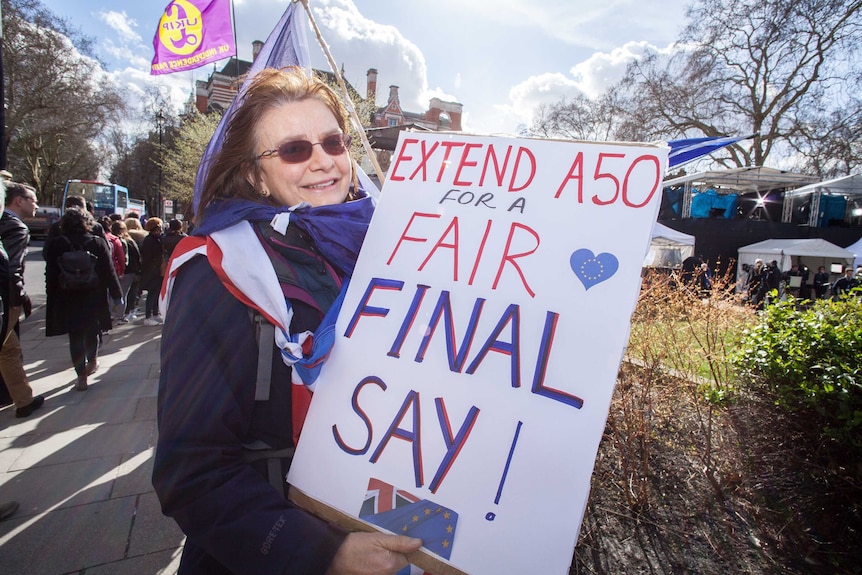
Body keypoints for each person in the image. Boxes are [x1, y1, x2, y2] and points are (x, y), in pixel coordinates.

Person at [152, 67, 422, 575]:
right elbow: (190, 470)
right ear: (256, 174)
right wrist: (323, 553)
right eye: (295, 150)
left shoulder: (392, 247)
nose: (323, 161)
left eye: (333, 143)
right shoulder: (218, 270)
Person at [44, 207, 122, 390]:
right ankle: (92, 361)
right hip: (93, 295)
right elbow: (109, 272)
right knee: (92, 331)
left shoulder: (57, 244)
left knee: (75, 335)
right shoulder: (97, 242)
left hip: (67, 295)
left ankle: (80, 376)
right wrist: (117, 296)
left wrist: (51, 295)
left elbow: (51, 273)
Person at [0, 182, 44, 417]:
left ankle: (22, 400)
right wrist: (19, 299)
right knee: (8, 347)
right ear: (19, 201)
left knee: (9, 349)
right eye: (33, 200)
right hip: (5, 299)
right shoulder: (16, 227)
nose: (36, 205)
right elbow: (11, 268)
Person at [111, 220, 141, 323]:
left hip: (113, 271)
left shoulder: (110, 240)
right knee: (123, 294)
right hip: (127, 271)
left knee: (111, 294)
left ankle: (111, 314)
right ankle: (120, 316)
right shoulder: (128, 241)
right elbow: (136, 256)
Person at [140, 217, 165, 326]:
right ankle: (148, 316)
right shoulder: (150, 240)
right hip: (152, 270)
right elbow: (148, 257)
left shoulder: (155, 239)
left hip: (156, 269)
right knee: (152, 293)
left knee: (156, 293)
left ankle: (155, 313)